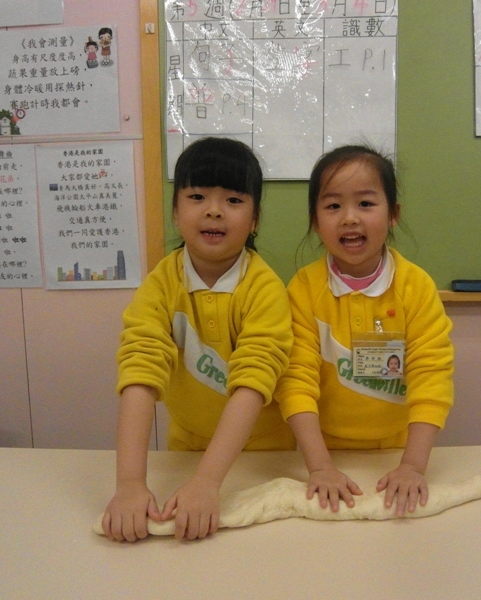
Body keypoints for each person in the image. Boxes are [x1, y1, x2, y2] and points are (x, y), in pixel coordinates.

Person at [102, 137, 295, 542]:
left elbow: (253, 382)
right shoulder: (160, 284)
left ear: (255, 220)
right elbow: (140, 373)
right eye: (197, 196)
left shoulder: (264, 289)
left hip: (266, 455)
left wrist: (208, 482)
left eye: (234, 200)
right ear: (176, 212)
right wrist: (130, 485)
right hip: (186, 449)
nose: (214, 210)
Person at [275, 144, 454, 517]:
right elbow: (296, 382)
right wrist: (320, 467)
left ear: (393, 215)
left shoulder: (416, 287)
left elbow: (431, 377)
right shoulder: (303, 289)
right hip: (324, 453)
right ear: (315, 220)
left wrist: (413, 466)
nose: (349, 218)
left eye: (366, 204)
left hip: (396, 451)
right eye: (333, 206)